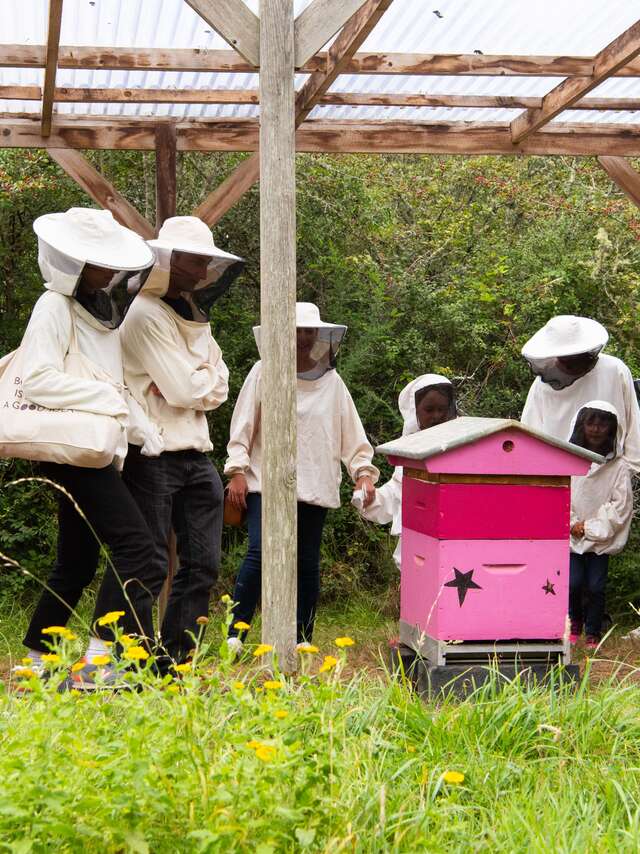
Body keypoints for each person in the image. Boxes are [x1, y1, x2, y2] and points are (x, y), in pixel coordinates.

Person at [15, 207, 157, 687]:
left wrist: (134, 424)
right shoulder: (52, 306)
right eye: (98, 261)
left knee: (76, 559)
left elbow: (107, 381)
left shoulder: (97, 309)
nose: (110, 270)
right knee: (138, 548)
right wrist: (109, 399)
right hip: (70, 449)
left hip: (89, 449)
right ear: (72, 262)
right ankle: (98, 662)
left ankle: (37, 660)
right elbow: (36, 379)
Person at [120, 216, 243, 668]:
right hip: (151, 454)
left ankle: (175, 661)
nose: (201, 271)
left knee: (204, 564)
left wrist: (197, 382)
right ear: (168, 260)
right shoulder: (144, 312)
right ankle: (129, 661)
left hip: (195, 454)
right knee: (149, 564)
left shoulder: (193, 312)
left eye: (205, 262)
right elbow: (186, 391)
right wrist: (197, 382)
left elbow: (215, 384)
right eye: (194, 261)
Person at [224, 302, 379, 653]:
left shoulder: (333, 382)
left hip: (314, 483)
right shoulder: (264, 371)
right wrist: (237, 470)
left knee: (306, 562)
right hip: (265, 479)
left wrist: (363, 474)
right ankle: (235, 634)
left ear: (319, 335)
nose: (304, 337)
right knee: (260, 553)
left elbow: (351, 436)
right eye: (298, 330)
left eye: (310, 330)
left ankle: (301, 639)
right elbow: (243, 425)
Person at [352, 374, 457, 568]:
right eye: (429, 409)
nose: (436, 416)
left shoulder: (462, 448)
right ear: (414, 412)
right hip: (418, 554)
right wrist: (370, 498)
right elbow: (395, 496)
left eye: (442, 409)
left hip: (457, 550)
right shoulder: (409, 456)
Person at [521, 315, 640, 471]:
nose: (572, 363)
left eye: (576, 357)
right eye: (566, 358)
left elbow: (633, 422)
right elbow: (529, 433)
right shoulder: (542, 385)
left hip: (609, 474)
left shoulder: (614, 370)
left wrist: (628, 469)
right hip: (559, 475)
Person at [567, 400, 633, 649]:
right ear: (581, 425)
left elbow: (620, 506)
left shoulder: (618, 467)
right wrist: (572, 524)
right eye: (591, 422)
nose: (595, 429)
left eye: (602, 424)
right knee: (572, 584)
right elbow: (560, 495)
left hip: (601, 540)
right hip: (571, 537)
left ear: (612, 429)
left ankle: (593, 632)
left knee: (596, 587)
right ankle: (574, 623)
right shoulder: (569, 460)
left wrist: (590, 528)